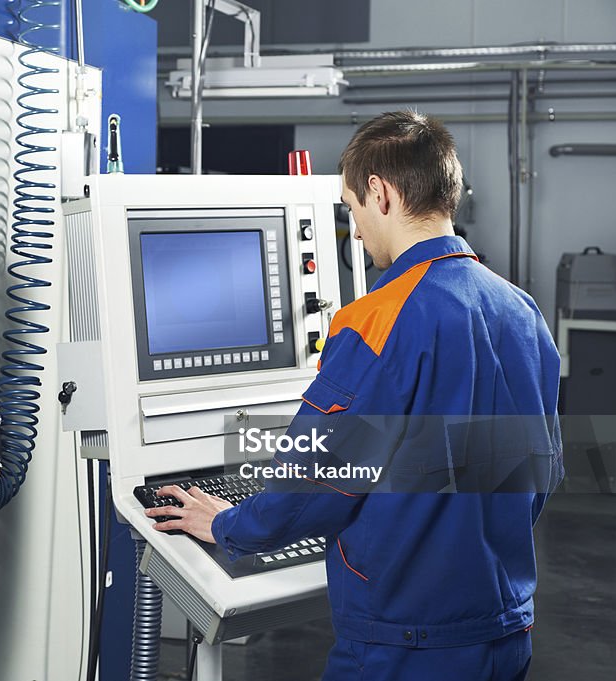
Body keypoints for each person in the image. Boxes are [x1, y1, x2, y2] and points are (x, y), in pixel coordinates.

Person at [146, 111, 564, 681]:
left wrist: (227, 524)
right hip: (505, 631)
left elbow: (314, 479)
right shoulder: (522, 311)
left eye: (352, 209)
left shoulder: (376, 320)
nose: (356, 229)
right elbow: (542, 472)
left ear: (381, 192)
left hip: (405, 644)